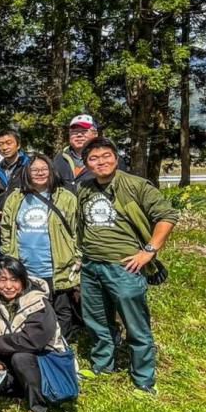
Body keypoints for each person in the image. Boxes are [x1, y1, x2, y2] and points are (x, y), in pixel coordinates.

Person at [77, 137, 178, 395]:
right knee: (97, 320)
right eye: (94, 158)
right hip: (91, 266)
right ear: (86, 163)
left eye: (106, 156)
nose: (101, 162)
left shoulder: (135, 185)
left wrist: (149, 252)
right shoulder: (86, 188)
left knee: (136, 324)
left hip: (125, 267)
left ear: (116, 157)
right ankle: (103, 365)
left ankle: (144, 379)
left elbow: (166, 216)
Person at [0, 256, 69, 412]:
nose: (8, 286)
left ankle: (39, 410)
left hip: (47, 362)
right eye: (2, 280)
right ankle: (29, 390)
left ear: (23, 281)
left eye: (14, 280)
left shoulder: (38, 302)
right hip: (10, 360)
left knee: (21, 357)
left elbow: (31, 341)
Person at [0, 153, 82, 339]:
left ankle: (61, 345)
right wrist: (8, 254)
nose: (39, 173)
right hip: (27, 267)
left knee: (62, 309)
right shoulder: (16, 198)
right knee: (33, 308)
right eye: (34, 170)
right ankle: (39, 342)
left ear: (51, 171)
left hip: (58, 266)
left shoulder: (66, 198)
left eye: (44, 169)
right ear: (27, 173)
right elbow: (6, 228)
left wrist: (78, 256)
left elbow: (77, 229)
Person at [0, 128, 31, 269]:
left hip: (24, 218)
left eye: (8, 143)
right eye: (0, 144)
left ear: (18, 145)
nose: (4, 147)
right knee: (1, 251)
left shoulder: (29, 165)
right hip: (3, 220)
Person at [52, 114, 127, 192]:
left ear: (95, 134)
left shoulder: (111, 159)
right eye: (74, 132)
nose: (79, 135)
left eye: (84, 131)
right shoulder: (59, 159)